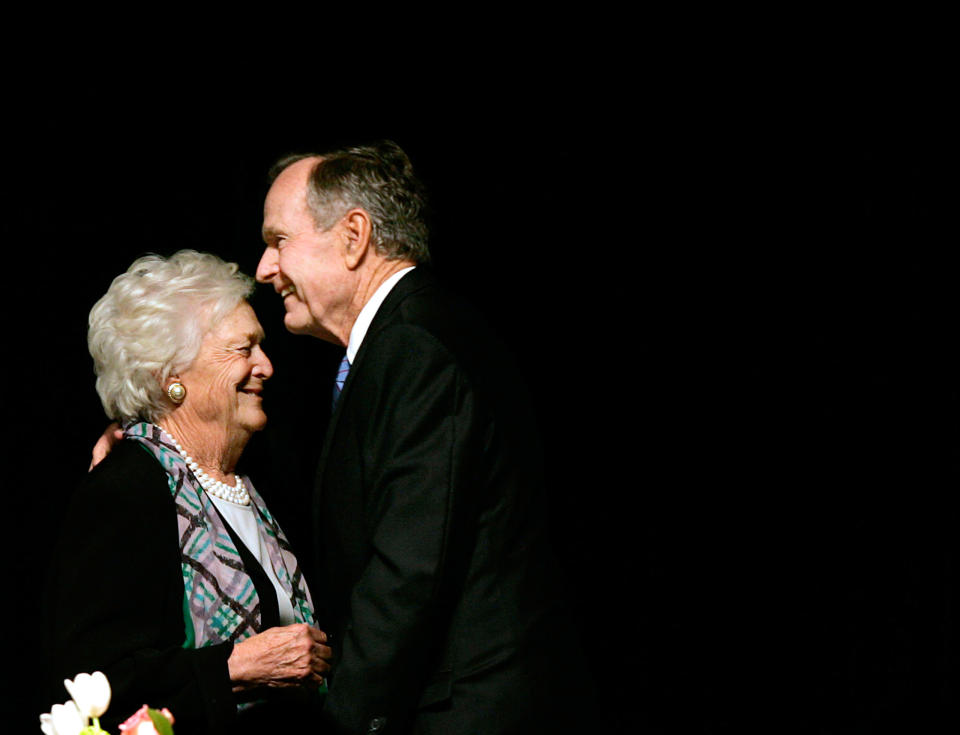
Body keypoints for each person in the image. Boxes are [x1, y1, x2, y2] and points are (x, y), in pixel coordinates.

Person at [255, 140, 588, 734]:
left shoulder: (414, 347)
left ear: (354, 236)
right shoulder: (404, 338)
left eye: (279, 240)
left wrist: (343, 723)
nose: (264, 268)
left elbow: (410, 569)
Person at [44, 251, 331, 734]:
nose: (266, 366)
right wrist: (232, 666)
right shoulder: (128, 489)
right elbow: (90, 681)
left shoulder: (258, 480)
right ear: (172, 377)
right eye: (244, 350)